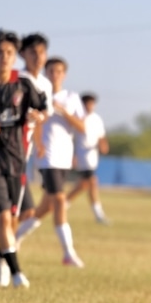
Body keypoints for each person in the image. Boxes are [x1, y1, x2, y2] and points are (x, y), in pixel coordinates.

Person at [0, 29, 47, 287]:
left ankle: (2, 258)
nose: (5, 57)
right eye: (0, 52)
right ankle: (17, 273)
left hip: (17, 160)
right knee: (2, 218)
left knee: (14, 217)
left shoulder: (23, 84)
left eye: (9, 52)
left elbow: (42, 109)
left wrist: (38, 117)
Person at [26, 56, 86, 267]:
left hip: (63, 157)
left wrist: (63, 111)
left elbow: (82, 127)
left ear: (64, 74)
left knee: (45, 206)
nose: (55, 75)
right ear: (45, 72)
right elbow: (33, 121)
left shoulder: (71, 97)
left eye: (59, 71)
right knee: (60, 200)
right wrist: (38, 143)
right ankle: (68, 253)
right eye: (51, 71)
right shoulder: (39, 93)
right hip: (46, 156)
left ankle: (13, 239)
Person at [66, 92, 109, 224]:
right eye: (88, 103)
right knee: (92, 182)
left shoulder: (96, 119)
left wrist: (103, 145)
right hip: (81, 156)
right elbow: (70, 137)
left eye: (92, 104)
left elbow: (101, 136)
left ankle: (63, 204)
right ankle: (98, 214)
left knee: (84, 185)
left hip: (92, 156)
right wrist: (72, 155)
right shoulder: (77, 118)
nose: (90, 106)